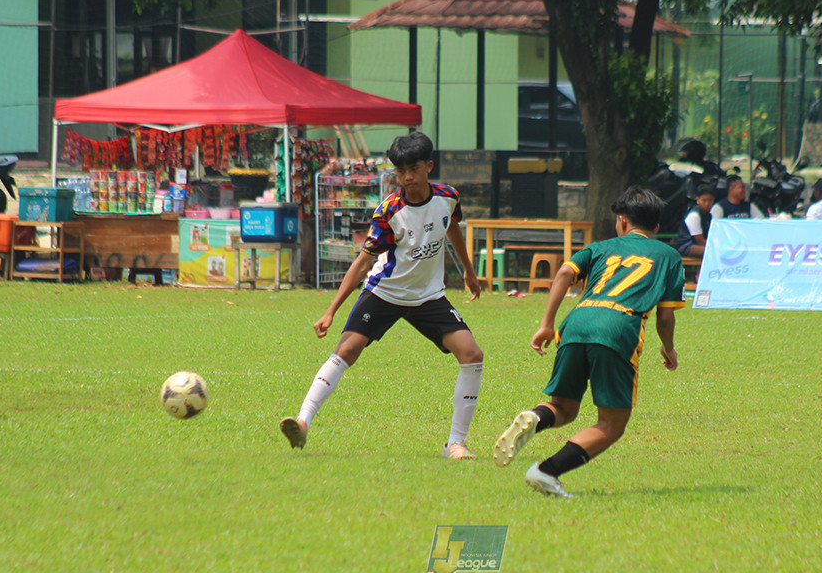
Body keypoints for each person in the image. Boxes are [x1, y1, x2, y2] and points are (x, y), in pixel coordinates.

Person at [279, 131, 484, 459]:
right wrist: (331, 310)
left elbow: (452, 226)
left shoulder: (448, 197)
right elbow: (363, 263)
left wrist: (469, 271)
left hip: (428, 296)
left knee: (472, 354)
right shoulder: (390, 212)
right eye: (400, 171)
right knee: (347, 349)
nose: (407, 177)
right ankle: (302, 422)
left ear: (429, 166)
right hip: (385, 292)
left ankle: (455, 443)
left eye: (414, 169)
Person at [492, 186, 685, 498]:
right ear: (657, 227)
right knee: (612, 423)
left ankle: (535, 417)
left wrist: (546, 325)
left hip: (576, 323)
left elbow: (565, 273)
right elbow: (665, 316)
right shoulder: (669, 256)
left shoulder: (601, 247)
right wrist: (669, 347)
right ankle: (546, 472)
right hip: (617, 327)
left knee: (563, 407)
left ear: (622, 221)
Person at [675, 184, 715, 258]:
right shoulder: (694, 215)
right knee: (713, 251)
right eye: (704, 200)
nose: (707, 203)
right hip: (687, 246)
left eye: (710, 200)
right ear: (698, 200)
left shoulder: (708, 215)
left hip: (700, 245)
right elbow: (700, 240)